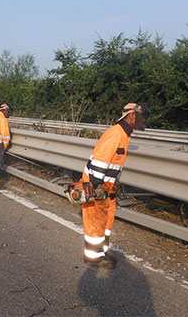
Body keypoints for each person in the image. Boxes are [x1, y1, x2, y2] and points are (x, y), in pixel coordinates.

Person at [81, 103, 150, 269]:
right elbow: (99, 161)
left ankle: (101, 252)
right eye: (142, 118)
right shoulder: (116, 134)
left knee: (106, 221)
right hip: (96, 184)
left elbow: (112, 164)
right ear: (132, 116)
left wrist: (114, 183)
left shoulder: (124, 135)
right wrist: (96, 187)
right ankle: (93, 258)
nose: (144, 122)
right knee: (95, 222)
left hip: (107, 186)